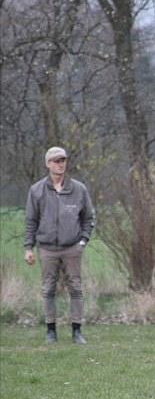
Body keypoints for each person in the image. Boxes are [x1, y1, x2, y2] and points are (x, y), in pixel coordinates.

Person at [24, 147, 96, 344]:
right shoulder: (36, 190)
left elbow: (89, 218)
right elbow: (31, 220)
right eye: (56, 161)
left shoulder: (79, 189)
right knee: (48, 289)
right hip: (47, 249)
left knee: (75, 288)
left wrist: (82, 241)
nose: (60, 164)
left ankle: (77, 331)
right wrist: (29, 247)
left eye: (62, 160)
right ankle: (50, 331)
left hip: (72, 248)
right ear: (48, 164)